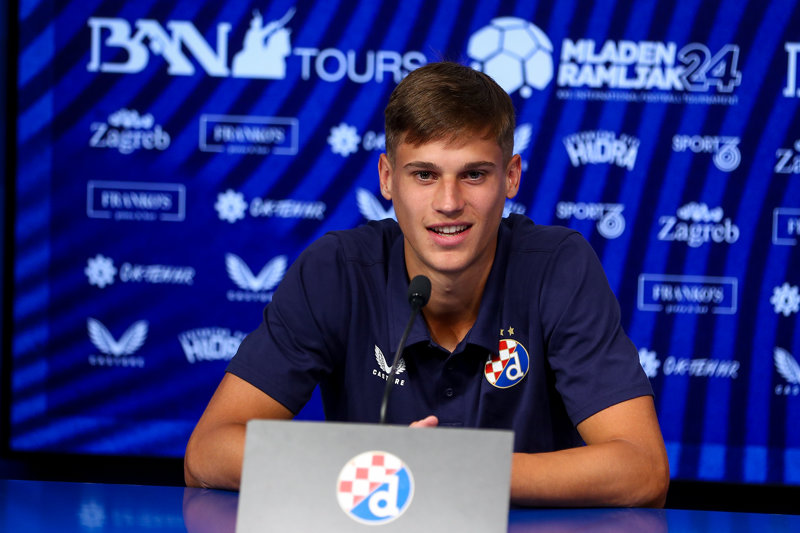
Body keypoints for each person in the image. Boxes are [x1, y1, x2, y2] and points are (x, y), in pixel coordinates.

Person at [184, 61, 670, 507]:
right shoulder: (336, 270)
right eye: (424, 175)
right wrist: (383, 467)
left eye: (474, 174)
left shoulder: (559, 266)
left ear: (511, 177)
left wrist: (456, 469)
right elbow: (208, 453)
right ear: (387, 178)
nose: (449, 202)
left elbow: (642, 469)